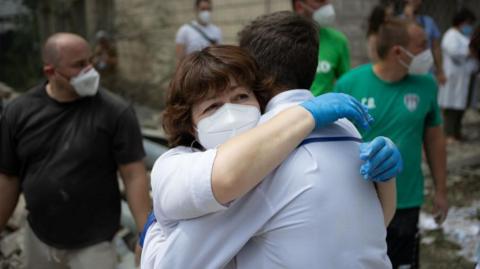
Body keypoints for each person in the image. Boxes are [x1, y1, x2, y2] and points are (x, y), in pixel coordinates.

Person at [142, 12, 402, 268]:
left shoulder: (261, 159)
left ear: (258, 86)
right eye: (212, 107)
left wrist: (154, 232)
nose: (231, 114)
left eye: (241, 97)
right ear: (189, 123)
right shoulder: (344, 129)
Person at [0, 33, 151, 269]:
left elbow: (133, 175)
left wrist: (147, 235)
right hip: (39, 237)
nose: (90, 70)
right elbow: (9, 177)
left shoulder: (115, 112)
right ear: (51, 72)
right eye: (79, 65)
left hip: (94, 244)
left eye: (89, 61)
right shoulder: (18, 113)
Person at [334, 19, 448, 269]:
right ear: (398, 51)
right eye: (421, 45)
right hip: (360, 200)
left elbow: (435, 140)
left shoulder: (427, 86)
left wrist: (441, 189)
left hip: (407, 200)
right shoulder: (350, 84)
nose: (428, 52)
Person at [291, 0, 350, 96]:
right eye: (320, 1)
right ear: (299, 6)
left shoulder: (337, 40)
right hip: (293, 109)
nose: (327, 6)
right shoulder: (282, 40)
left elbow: (347, 85)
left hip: (326, 109)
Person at [438, 8, 478, 144]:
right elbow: (454, 50)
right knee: (451, 107)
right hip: (453, 77)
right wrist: (469, 52)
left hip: (464, 77)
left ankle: (457, 133)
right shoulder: (451, 35)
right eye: (468, 23)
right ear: (461, 22)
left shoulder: (464, 36)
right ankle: (449, 134)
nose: (469, 27)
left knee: (461, 107)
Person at [401, 0, 446, 85]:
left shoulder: (429, 21)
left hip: (425, 69)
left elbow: (436, 47)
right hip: (404, 69)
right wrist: (409, 17)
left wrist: (440, 71)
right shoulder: (398, 21)